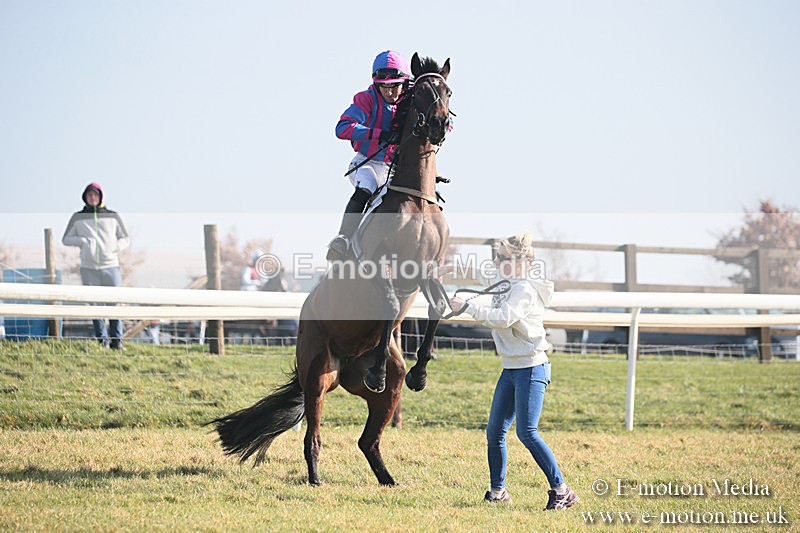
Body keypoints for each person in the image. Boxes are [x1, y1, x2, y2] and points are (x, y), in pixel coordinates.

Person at [449, 232, 579, 511]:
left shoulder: (524, 290)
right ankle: (498, 492)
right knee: (494, 431)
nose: (497, 262)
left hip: (531, 368)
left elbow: (503, 318)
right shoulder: (503, 280)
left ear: (520, 262)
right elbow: (475, 273)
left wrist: (468, 307)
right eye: (496, 256)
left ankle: (562, 491)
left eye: (503, 258)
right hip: (510, 368)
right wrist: (446, 267)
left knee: (527, 432)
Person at [326, 50, 412, 261]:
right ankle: (343, 239)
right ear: (376, 84)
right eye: (385, 86)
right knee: (367, 186)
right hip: (368, 164)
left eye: (395, 86)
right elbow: (342, 128)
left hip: (396, 169)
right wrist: (379, 134)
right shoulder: (366, 99)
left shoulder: (412, 98)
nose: (390, 92)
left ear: (405, 83)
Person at [62, 182, 130, 350]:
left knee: (115, 303)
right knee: (94, 305)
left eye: (95, 195)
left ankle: (117, 341)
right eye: (89, 195)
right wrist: (82, 242)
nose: (92, 198)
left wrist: (116, 247)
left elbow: (125, 238)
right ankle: (103, 342)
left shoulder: (112, 216)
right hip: (88, 268)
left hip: (111, 266)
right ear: (85, 198)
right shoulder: (77, 217)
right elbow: (65, 239)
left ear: (101, 197)